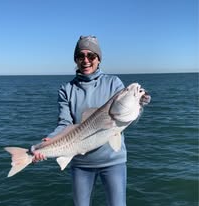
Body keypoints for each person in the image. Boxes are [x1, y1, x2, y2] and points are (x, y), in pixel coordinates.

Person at [34, 35, 127, 206]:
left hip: (113, 161)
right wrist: (49, 141)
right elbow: (64, 124)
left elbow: (125, 118)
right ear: (75, 59)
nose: (86, 60)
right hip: (80, 163)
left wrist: (140, 105)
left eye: (91, 56)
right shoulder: (66, 89)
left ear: (98, 59)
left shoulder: (114, 83)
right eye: (80, 56)